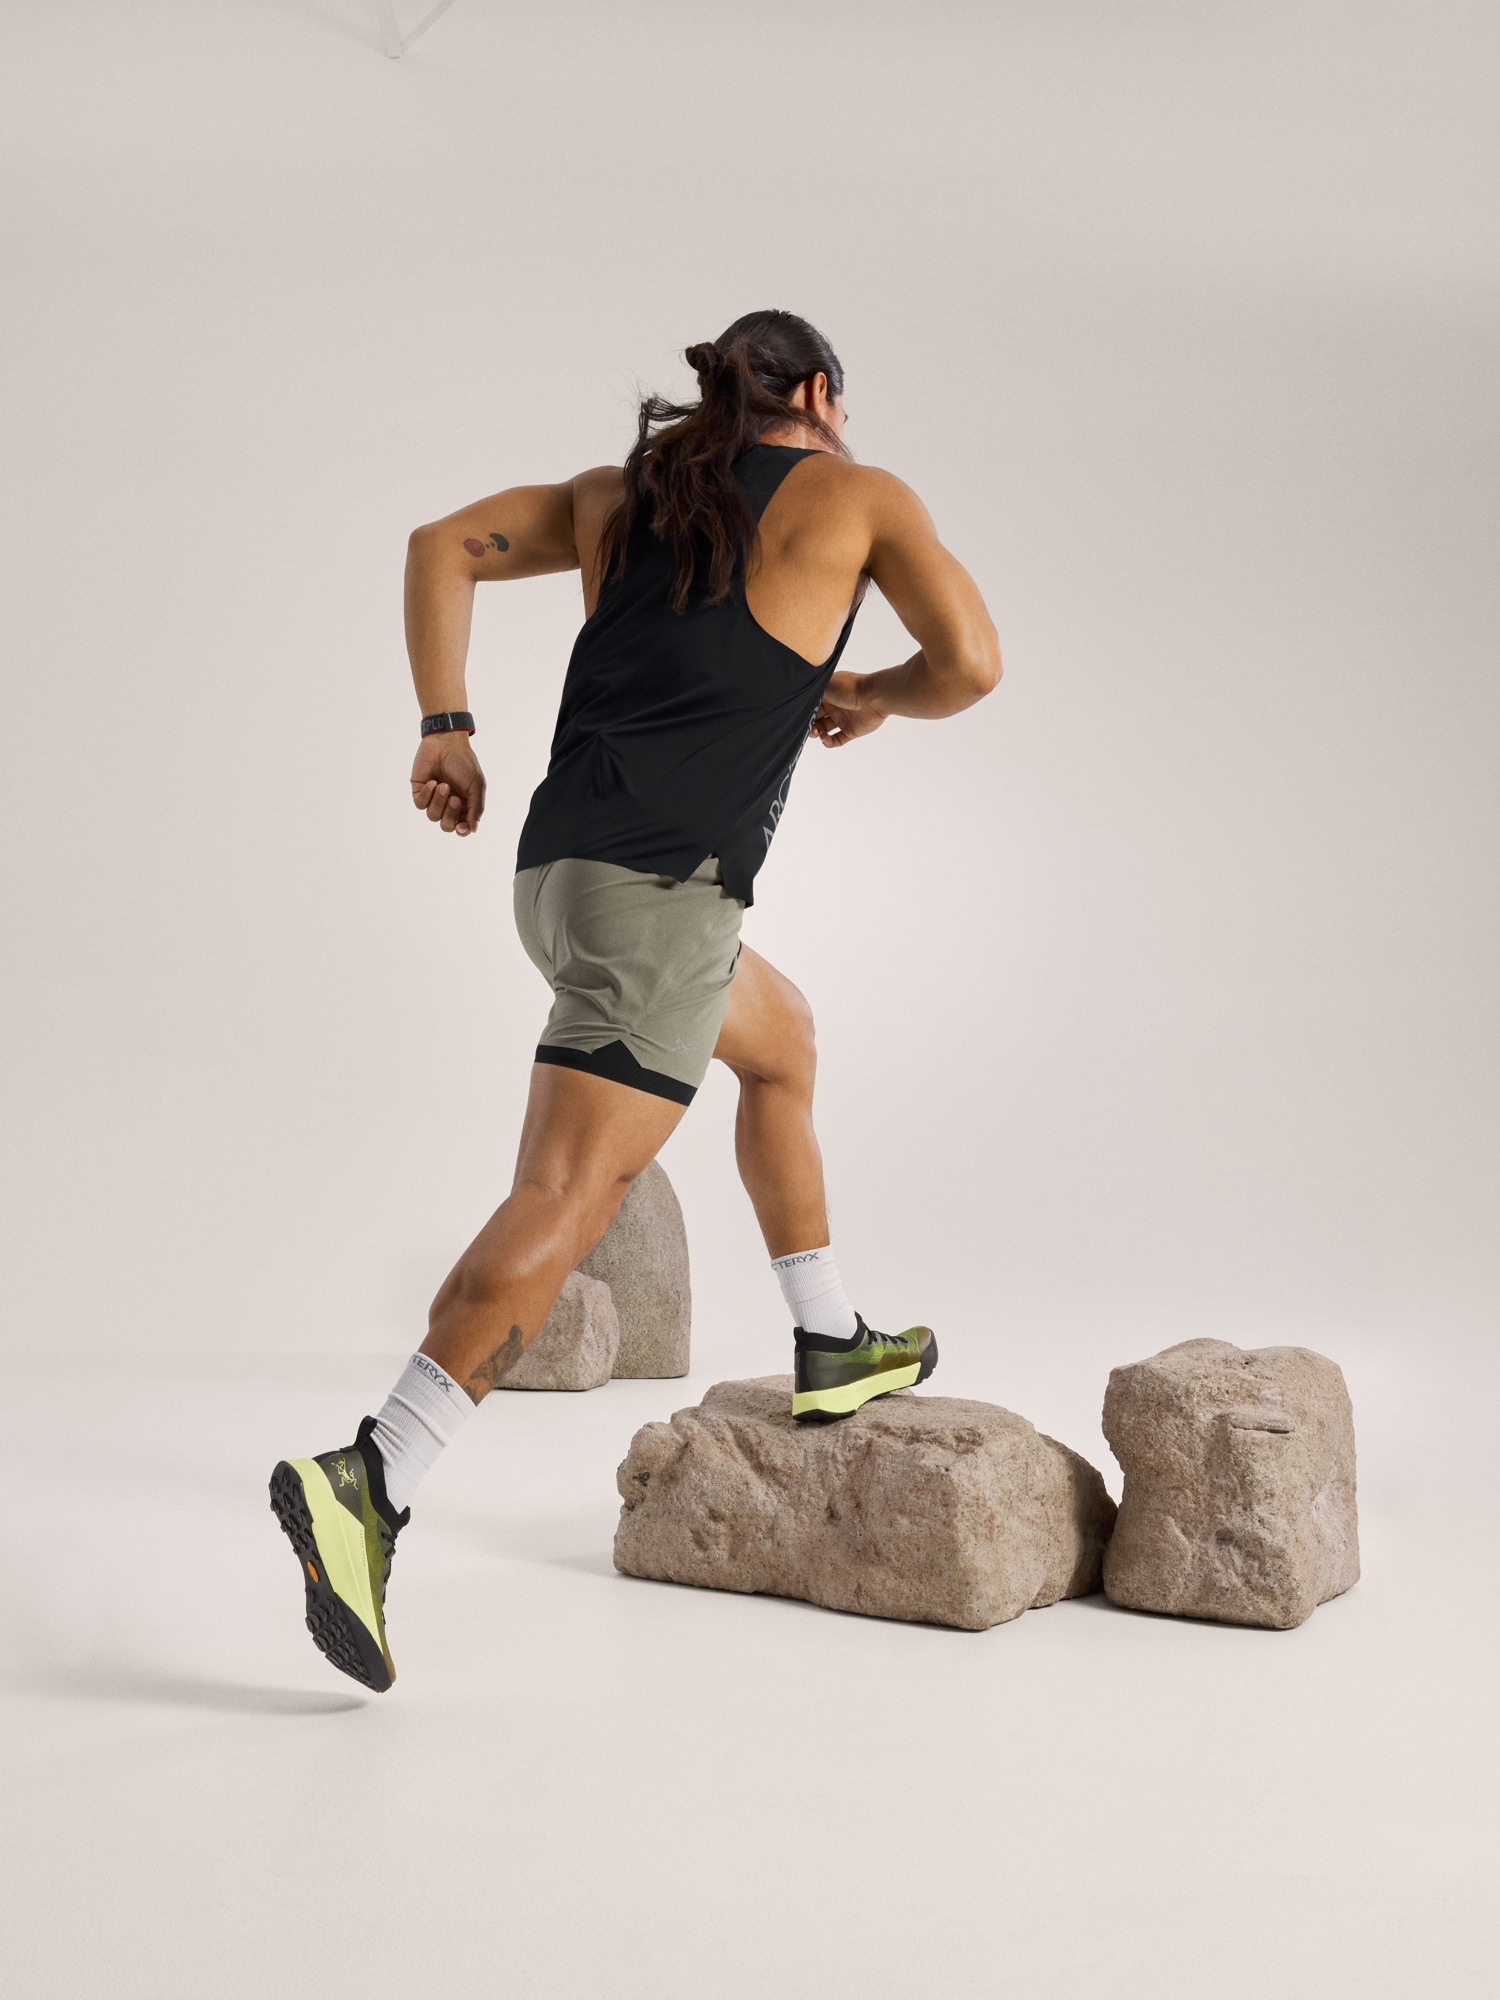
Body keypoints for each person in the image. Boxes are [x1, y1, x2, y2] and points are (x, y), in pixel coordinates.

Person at [269, 311, 1001, 1691]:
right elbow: (969, 662)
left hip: (566, 880)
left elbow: (441, 543)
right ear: (820, 393)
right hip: (657, 905)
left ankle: (829, 1334)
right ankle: (372, 1474)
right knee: (566, 1196)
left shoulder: (621, 496)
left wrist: (445, 727)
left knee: (781, 1043)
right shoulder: (860, 496)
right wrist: (872, 693)